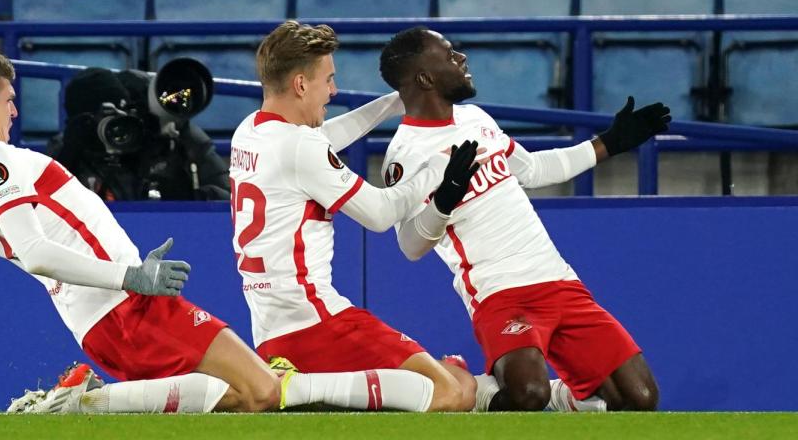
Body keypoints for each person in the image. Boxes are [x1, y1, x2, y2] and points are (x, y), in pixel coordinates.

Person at [0, 48, 293, 414]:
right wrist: (131, 277)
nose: (14, 112)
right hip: (126, 306)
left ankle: (88, 401)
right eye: (9, 100)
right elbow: (34, 252)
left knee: (235, 396)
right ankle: (82, 404)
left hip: (97, 324)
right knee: (261, 392)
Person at [378, 27, 668, 412]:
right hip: (499, 294)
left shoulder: (475, 118)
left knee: (639, 398)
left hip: (558, 280)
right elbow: (410, 246)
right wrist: (443, 202)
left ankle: (566, 398)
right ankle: (466, 388)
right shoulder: (404, 156)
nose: (462, 59)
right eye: (449, 56)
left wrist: (609, 143)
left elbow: (530, 169)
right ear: (425, 78)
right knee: (528, 395)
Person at [228, 21, 480, 412]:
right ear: (299, 85)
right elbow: (379, 215)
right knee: (451, 392)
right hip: (318, 322)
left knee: (452, 386)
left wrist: (395, 100)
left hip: (274, 330)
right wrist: (437, 170)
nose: (334, 91)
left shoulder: (250, 132)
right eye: (328, 80)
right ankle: (295, 389)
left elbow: (323, 137)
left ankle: (301, 386)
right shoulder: (299, 147)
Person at [48, 66, 230, 201]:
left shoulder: (162, 135)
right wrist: (68, 158)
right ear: (81, 124)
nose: (117, 130)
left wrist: (187, 196)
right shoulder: (68, 149)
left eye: (120, 115)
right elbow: (32, 210)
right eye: (101, 120)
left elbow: (229, 200)